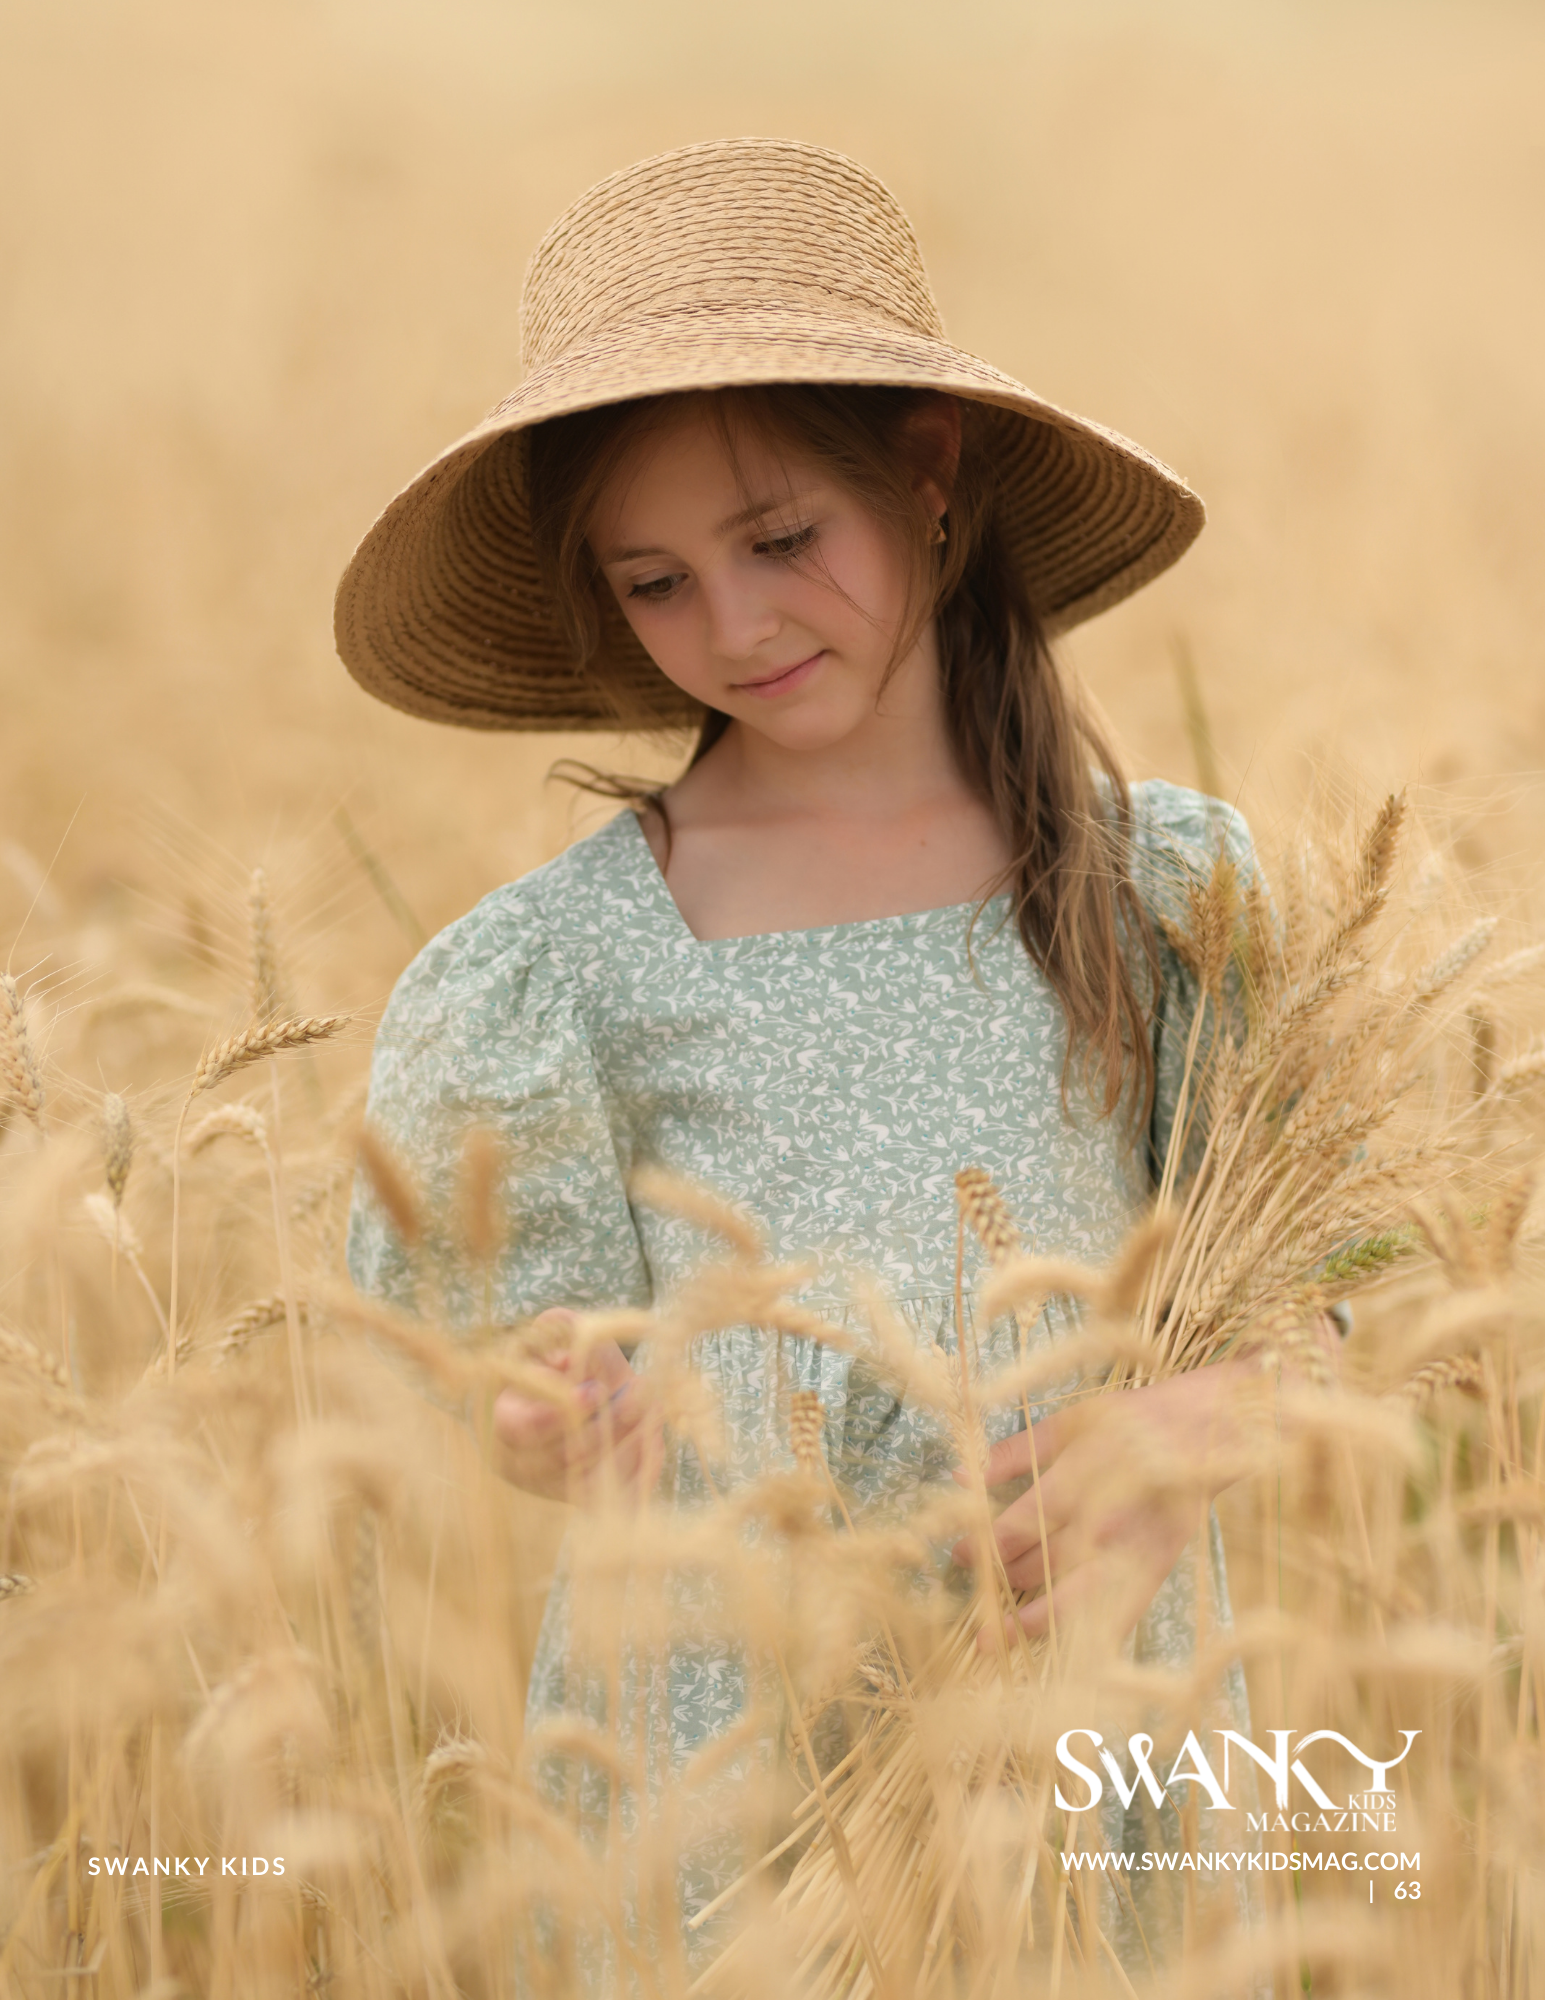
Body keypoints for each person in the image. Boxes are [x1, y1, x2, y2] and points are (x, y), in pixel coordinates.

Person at [338, 138, 1282, 1985]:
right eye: (656, 583)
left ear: (928, 478)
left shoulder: (1160, 891)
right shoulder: (565, 968)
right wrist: (551, 1418)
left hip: (1085, 1736)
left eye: (781, 542)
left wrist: (1189, 1424)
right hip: (725, 1759)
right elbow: (524, 1363)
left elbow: (1328, 1264)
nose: (739, 626)